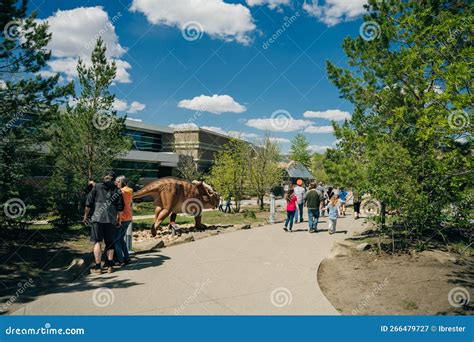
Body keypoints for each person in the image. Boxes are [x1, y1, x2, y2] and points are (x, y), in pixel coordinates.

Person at [84, 171, 124, 274]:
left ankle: (98, 268)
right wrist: (119, 219)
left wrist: (85, 216)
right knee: (110, 243)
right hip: (111, 220)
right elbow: (120, 208)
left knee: (98, 242)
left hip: (97, 219)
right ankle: (110, 266)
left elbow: (88, 203)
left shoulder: (96, 187)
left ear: (104, 177)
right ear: (114, 179)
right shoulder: (117, 191)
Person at [114, 175, 132, 266]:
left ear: (120, 182)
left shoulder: (121, 191)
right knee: (121, 239)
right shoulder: (129, 190)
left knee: (116, 239)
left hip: (122, 217)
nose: (116, 184)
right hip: (128, 217)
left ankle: (120, 260)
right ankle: (127, 258)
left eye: (117, 182)